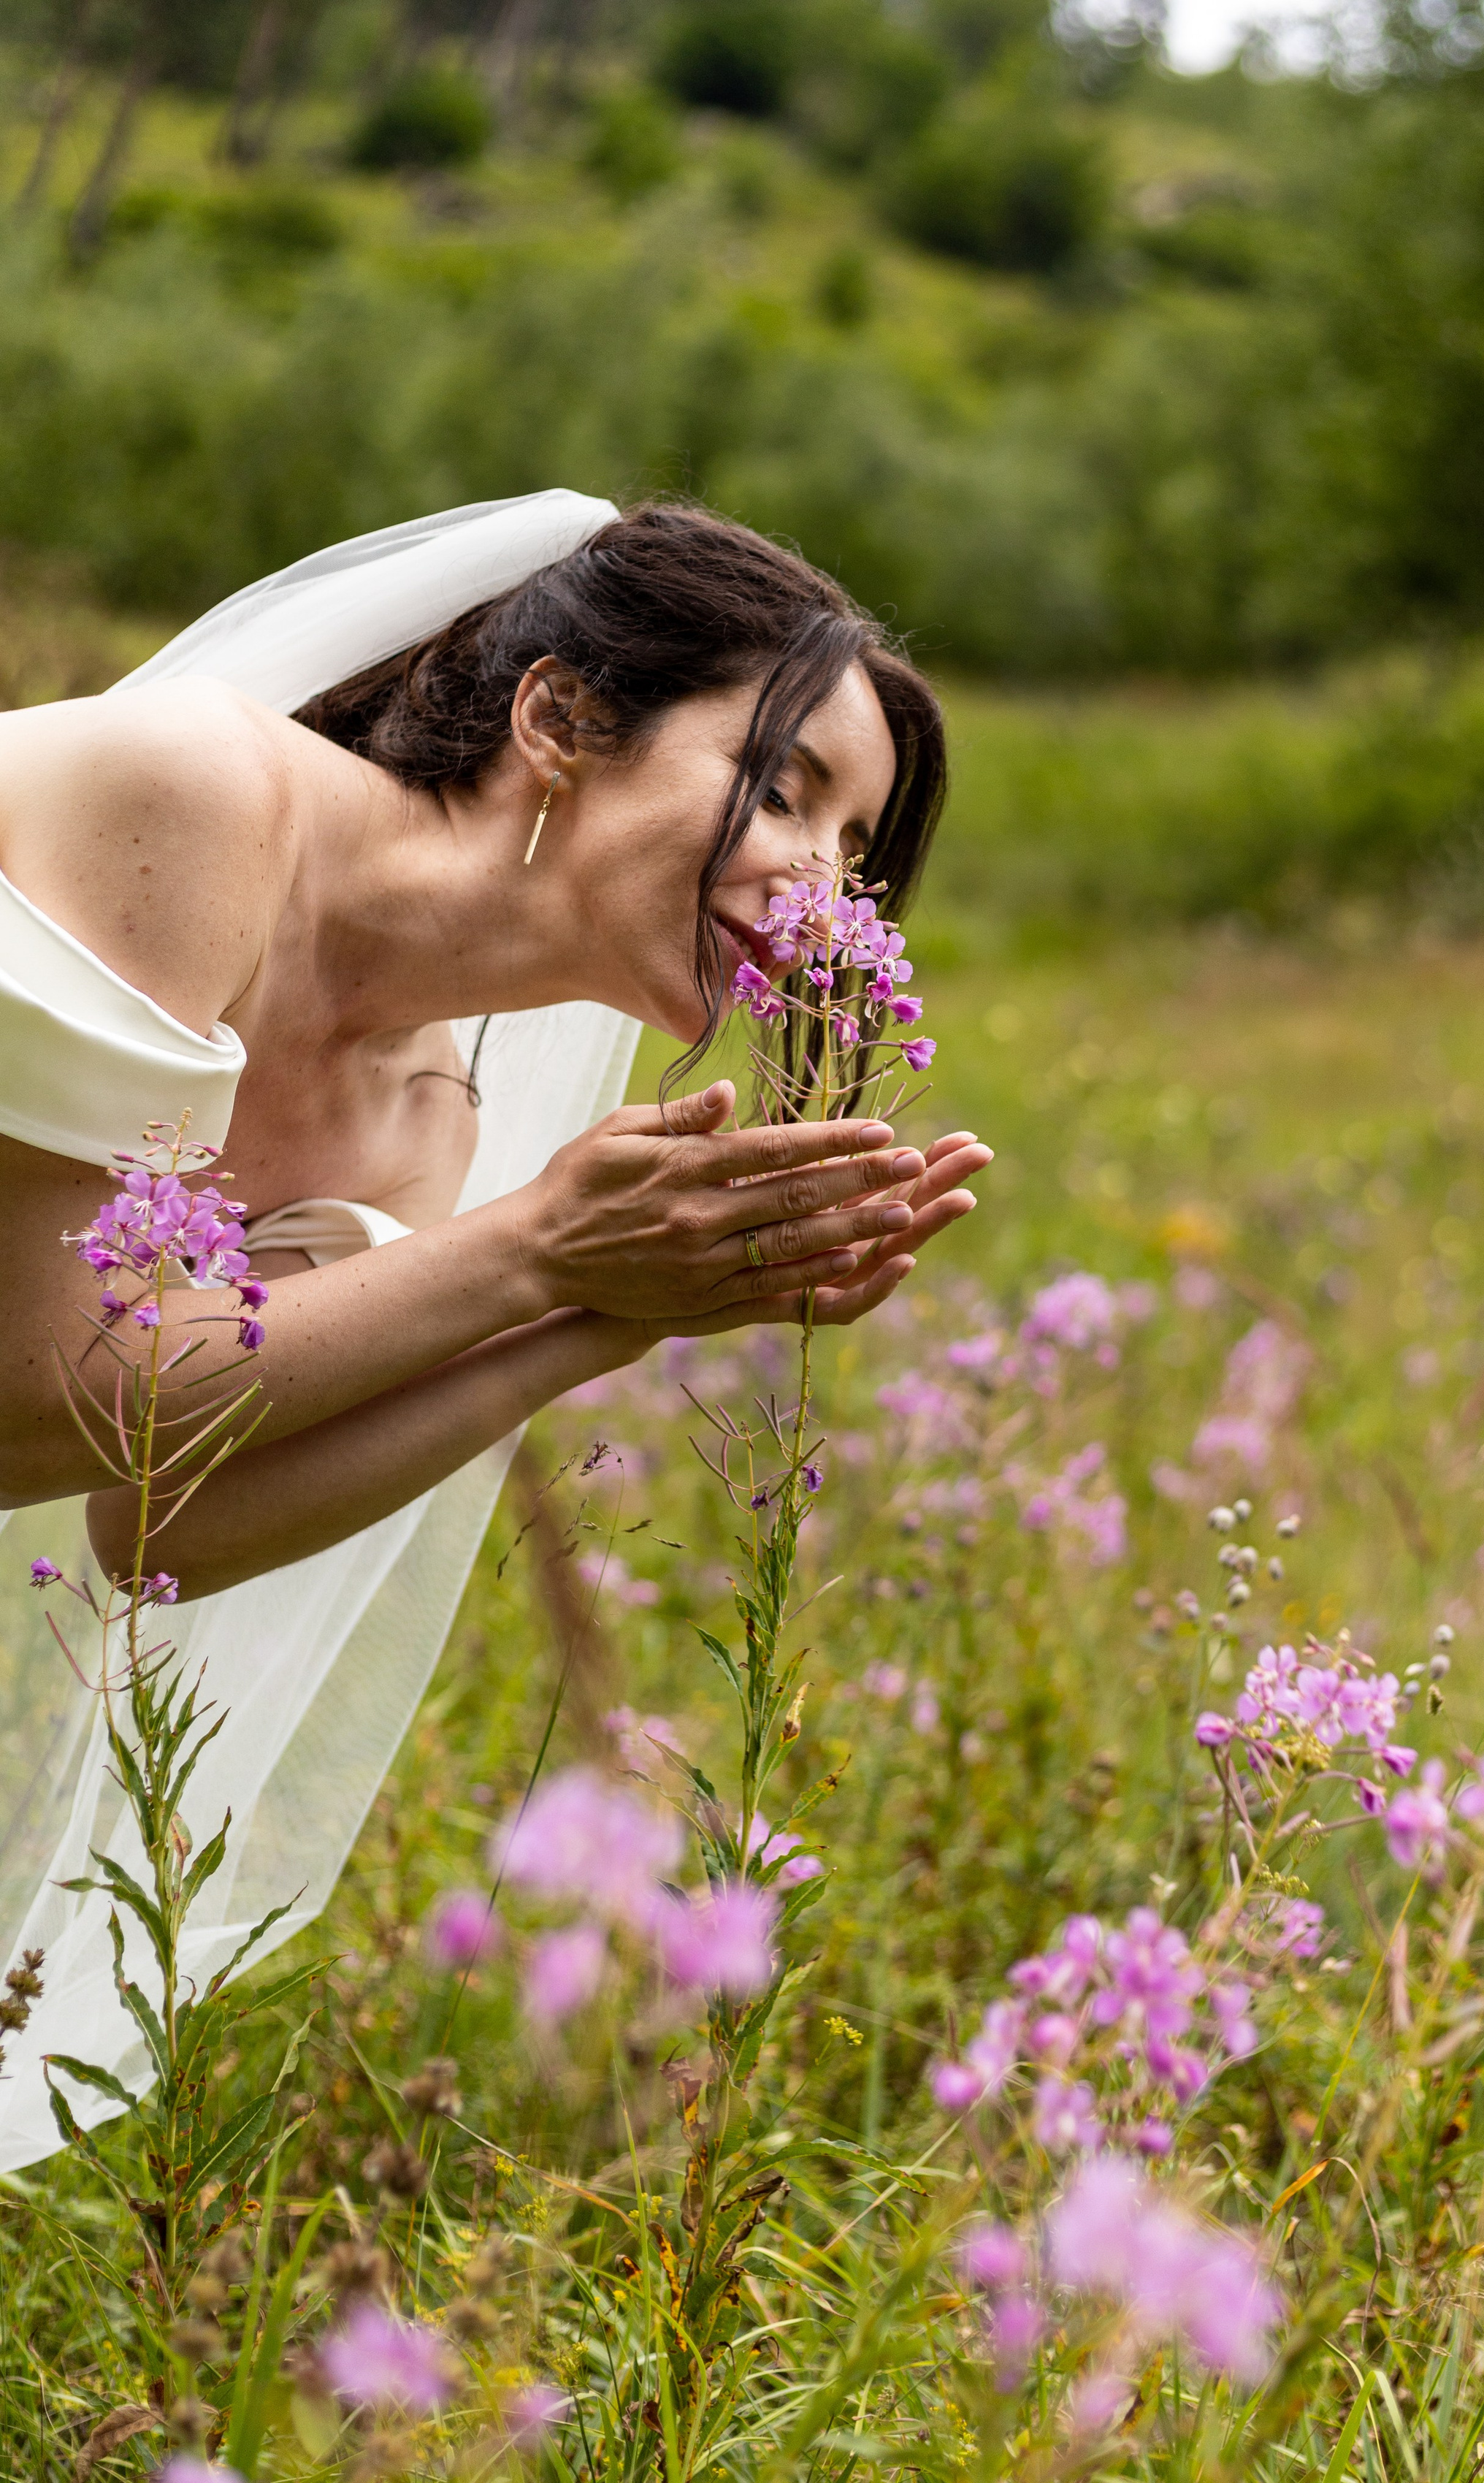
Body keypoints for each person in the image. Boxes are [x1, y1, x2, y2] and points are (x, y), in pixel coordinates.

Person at [0, 489, 989, 2170]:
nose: (822, 892)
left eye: (853, 854)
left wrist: (601, 1308)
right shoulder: (193, 800)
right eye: (784, 790)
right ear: (560, 717)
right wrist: (536, 1249)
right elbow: (36, 1393)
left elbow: (170, 1519)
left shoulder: (417, 1119)